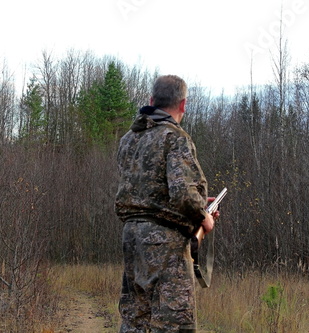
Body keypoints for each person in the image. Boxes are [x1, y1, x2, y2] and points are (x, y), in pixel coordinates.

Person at [115, 74, 216, 332]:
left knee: (136, 318)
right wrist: (204, 216)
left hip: (132, 238)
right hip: (164, 242)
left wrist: (199, 202)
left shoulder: (128, 140)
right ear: (182, 105)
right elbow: (182, 195)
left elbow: (150, 191)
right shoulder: (175, 137)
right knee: (173, 322)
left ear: (151, 101)